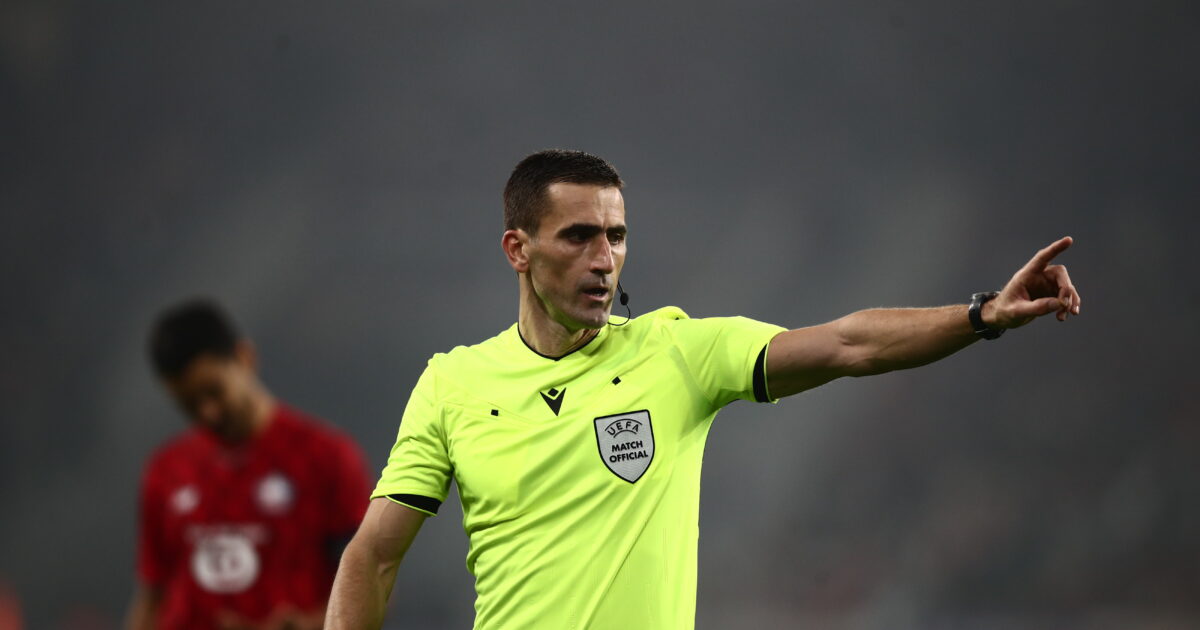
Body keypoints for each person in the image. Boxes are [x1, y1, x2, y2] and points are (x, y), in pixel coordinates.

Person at [325, 150, 1082, 630]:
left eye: (616, 236)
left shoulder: (674, 352)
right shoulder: (454, 382)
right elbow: (373, 557)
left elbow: (848, 344)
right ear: (517, 249)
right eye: (579, 236)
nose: (603, 259)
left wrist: (982, 314)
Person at [127, 299, 372, 630]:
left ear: (244, 357)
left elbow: (371, 583)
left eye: (214, 392)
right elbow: (152, 594)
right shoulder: (166, 470)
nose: (207, 413)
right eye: (188, 404)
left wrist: (307, 626)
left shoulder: (326, 457)